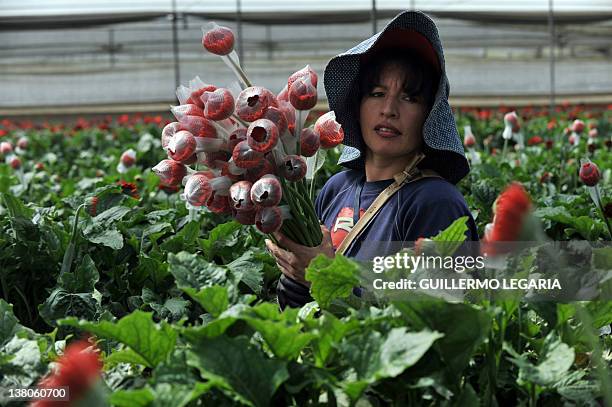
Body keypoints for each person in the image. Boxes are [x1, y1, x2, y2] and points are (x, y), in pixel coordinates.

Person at [266, 10, 479, 309]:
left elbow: (437, 322)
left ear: (430, 116)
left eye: (409, 98)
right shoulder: (335, 188)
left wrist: (323, 278)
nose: (389, 109)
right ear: (358, 105)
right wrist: (294, 275)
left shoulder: (435, 202)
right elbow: (301, 309)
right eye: (377, 93)